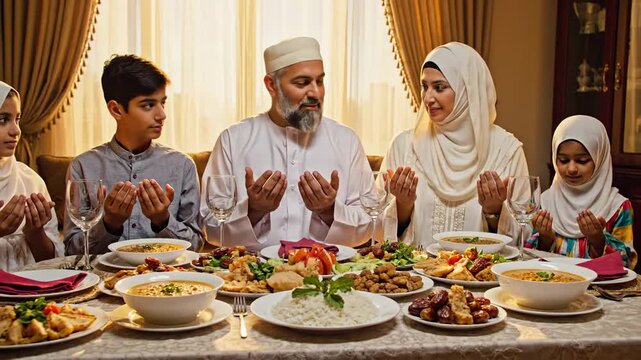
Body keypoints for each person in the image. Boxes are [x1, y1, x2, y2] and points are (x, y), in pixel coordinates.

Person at [200, 37, 372, 250]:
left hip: (329, 276)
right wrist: (254, 210)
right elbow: (209, 227)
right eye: (302, 83)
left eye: (319, 81)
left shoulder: (346, 141)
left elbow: (370, 225)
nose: (315, 93)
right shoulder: (233, 140)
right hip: (250, 278)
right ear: (271, 85)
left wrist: (329, 211)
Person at [381, 42, 529, 247]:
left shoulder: (506, 151)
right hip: (414, 276)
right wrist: (402, 206)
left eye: (439, 87)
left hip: (482, 277)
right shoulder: (404, 146)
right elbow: (376, 228)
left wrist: (494, 212)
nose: (427, 98)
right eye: (425, 87)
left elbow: (524, 234)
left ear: (468, 89)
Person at [64, 55, 204, 255]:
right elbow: (71, 250)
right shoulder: (83, 166)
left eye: (162, 103)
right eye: (148, 105)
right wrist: (109, 223)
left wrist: (163, 220)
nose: (161, 115)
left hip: (165, 281)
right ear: (116, 109)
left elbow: (197, 245)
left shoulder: (182, 165)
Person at [526, 115, 637, 268]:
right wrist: (546, 237)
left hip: (595, 291)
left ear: (600, 159)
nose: (571, 169)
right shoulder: (543, 202)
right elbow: (526, 259)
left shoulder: (617, 207)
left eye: (582, 161)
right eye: (563, 160)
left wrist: (598, 239)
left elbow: (626, 265)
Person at [0, 81, 62, 271]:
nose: (16, 130)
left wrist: (35, 233)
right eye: (3, 120)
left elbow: (53, 263)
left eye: (17, 119)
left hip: (31, 294)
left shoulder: (30, 180)